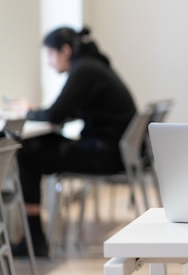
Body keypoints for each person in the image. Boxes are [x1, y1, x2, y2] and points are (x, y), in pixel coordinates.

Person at [8, 26, 137, 257]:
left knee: (26, 152)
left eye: (50, 54)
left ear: (65, 50)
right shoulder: (92, 66)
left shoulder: (84, 70)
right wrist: (38, 112)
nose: (49, 62)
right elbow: (66, 112)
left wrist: (27, 111)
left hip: (105, 155)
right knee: (34, 147)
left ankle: (34, 239)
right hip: (116, 151)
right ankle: (33, 237)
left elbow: (55, 115)